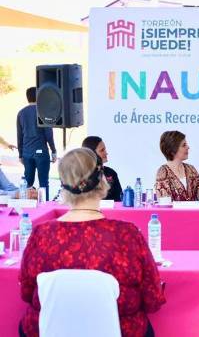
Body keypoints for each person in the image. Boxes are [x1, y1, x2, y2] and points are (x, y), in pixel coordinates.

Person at [19, 148, 165, 337]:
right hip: (124, 330)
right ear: (102, 181)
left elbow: (26, 293)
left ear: (63, 185)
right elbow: (153, 299)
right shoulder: (127, 234)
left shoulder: (41, 234)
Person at [16, 87, 57, 197]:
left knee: (27, 183)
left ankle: (26, 203)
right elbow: (49, 134)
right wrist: (53, 151)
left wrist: (20, 154)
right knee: (43, 183)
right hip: (41, 152)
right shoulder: (43, 111)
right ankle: (44, 205)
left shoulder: (21, 113)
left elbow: (19, 136)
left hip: (27, 153)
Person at [155, 130, 199, 202]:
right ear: (173, 149)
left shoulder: (191, 169)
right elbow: (165, 203)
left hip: (195, 210)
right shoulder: (163, 172)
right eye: (184, 145)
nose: (188, 147)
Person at [82, 136, 123, 201]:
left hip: (110, 208)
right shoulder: (80, 174)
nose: (106, 153)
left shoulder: (111, 172)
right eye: (102, 150)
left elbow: (119, 199)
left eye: (105, 149)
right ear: (91, 154)